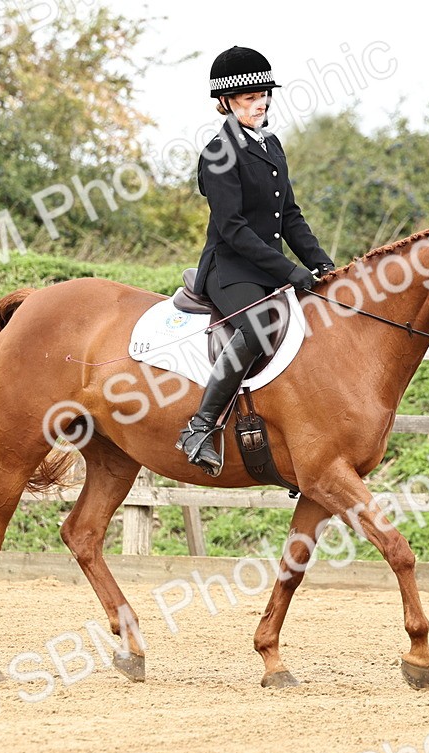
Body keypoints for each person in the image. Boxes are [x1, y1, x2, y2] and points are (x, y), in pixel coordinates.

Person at [176, 45, 335, 475]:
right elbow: (234, 229)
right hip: (229, 270)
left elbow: (291, 216)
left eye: (264, 95)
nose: (260, 103)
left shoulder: (271, 144)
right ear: (226, 102)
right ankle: (200, 425)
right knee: (258, 325)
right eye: (249, 98)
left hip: (265, 267)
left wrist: (321, 264)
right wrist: (289, 271)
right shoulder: (217, 152)